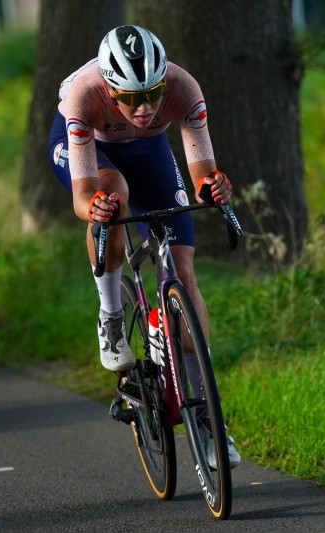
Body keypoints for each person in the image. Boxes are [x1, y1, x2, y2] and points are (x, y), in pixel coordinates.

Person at [49, 25, 240, 468]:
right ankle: (112, 315)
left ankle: (211, 420)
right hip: (88, 147)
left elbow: (201, 173)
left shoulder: (184, 87)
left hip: (149, 150)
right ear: (109, 86)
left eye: (152, 93)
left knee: (183, 270)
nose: (145, 106)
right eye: (131, 97)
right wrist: (96, 207)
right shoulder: (83, 94)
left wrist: (212, 187)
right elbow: (83, 197)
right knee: (111, 192)